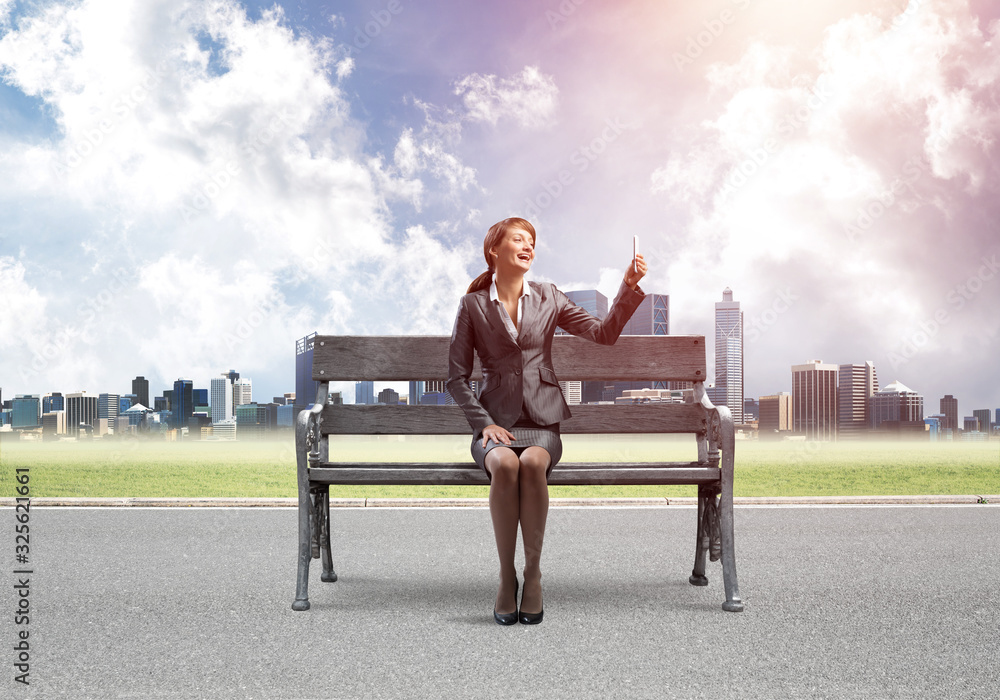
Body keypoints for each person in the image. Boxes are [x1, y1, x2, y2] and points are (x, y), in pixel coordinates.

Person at [446, 217, 648, 625]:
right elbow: (455, 377)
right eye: (518, 239)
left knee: (532, 463)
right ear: (494, 250)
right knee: (505, 464)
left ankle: (532, 575)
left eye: (532, 241)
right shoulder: (472, 305)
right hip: (493, 425)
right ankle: (507, 578)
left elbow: (604, 334)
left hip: (542, 424)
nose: (528, 246)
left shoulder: (550, 297)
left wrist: (627, 288)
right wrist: (483, 423)